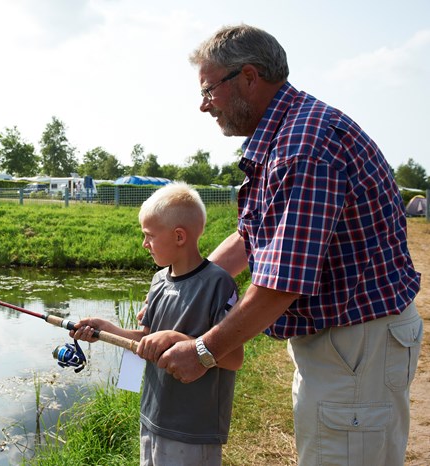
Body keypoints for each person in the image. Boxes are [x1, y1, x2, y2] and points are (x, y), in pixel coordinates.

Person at [156, 24, 423, 466]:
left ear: (248, 76)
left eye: (208, 91)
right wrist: (182, 288)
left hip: (356, 348)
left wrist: (204, 352)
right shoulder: (289, 134)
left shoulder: (304, 147)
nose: (203, 106)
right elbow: (255, 234)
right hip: (347, 346)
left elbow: (281, 284)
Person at [71, 182, 242, 466]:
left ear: (178, 236)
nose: (144, 243)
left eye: (149, 235)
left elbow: (234, 358)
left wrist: (180, 339)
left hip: (191, 429)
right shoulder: (159, 281)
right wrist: (105, 329)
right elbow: (147, 339)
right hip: (152, 416)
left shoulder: (218, 283)